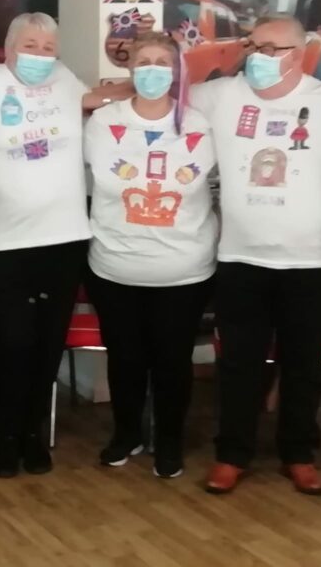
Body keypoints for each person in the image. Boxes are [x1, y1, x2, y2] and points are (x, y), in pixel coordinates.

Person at [0, 12, 128, 478]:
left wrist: (145, 83)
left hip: (65, 238)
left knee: (48, 345)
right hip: (7, 241)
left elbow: (95, 100)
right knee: (14, 343)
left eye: (48, 48)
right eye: (30, 45)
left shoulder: (64, 80)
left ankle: (33, 436)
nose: (40, 55)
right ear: (9, 48)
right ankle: (8, 437)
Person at [190, 14, 321, 496]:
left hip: (312, 262)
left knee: (303, 364)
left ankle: (298, 454)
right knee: (239, 364)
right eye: (252, 46)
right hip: (242, 259)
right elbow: (159, 99)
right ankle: (232, 455)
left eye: (270, 49)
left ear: (298, 55)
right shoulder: (220, 96)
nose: (257, 57)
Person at [84, 32, 217, 478]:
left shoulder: (198, 124)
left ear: (177, 71)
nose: (153, 70)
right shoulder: (105, 122)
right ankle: (126, 434)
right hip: (115, 267)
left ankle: (170, 441)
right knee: (124, 359)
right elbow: (107, 179)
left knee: (173, 362)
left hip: (184, 271)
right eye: (145, 61)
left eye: (163, 62)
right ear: (130, 68)